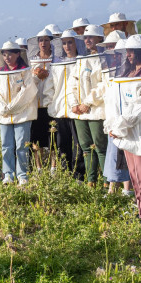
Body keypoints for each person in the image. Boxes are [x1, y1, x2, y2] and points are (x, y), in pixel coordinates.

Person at [104, 35, 141, 219]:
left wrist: (119, 126)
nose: (129, 55)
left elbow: (140, 109)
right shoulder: (126, 75)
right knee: (134, 176)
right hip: (125, 134)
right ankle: (140, 210)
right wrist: (112, 126)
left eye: (133, 51)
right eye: (127, 51)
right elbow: (113, 103)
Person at [0, 40, 38, 185]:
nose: (7, 57)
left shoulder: (25, 72)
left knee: (22, 145)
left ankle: (22, 175)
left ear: (18, 54)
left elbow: (27, 93)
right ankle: (8, 174)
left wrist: (11, 108)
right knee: (6, 146)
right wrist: (4, 108)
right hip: (4, 116)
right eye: (4, 54)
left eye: (10, 54)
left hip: (22, 115)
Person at [95, 30, 133, 197]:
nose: (110, 50)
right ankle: (112, 189)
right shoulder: (110, 69)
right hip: (112, 119)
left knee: (124, 154)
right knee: (113, 154)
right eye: (108, 47)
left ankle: (127, 189)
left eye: (113, 46)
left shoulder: (131, 68)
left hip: (126, 120)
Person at [71, 25, 109, 187]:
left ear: (100, 39)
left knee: (100, 147)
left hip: (97, 110)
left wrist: (87, 103)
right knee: (86, 148)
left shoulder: (105, 58)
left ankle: (108, 182)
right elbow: (72, 84)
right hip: (79, 111)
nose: (87, 40)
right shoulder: (81, 60)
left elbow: (104, 85)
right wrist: (74, 104)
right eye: (86, 38)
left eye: (91, 37)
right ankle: (91, 181)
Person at [50, 29, 85, 177]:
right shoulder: (56, 64)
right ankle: (65, 172)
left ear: (76, 43)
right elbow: (50, 87)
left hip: (76, 109)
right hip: (59, 109)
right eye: (64, 43)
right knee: (61, 143)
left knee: (78, 144)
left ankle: (79, 173)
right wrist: (51, 104)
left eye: (70, 42)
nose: (67, 46)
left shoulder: (82, 61)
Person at [25, 27, 58, 164]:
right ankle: (38, 167)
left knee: (53, 138)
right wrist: (37, 76)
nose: (43, 43)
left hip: (52, 104)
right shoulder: (32, 61)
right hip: (35, 105)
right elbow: (27, 83)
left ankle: (53, 167)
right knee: (35, 138)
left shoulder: (56, 60)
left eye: (46, 40)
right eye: (40, 40)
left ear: (51, 42)